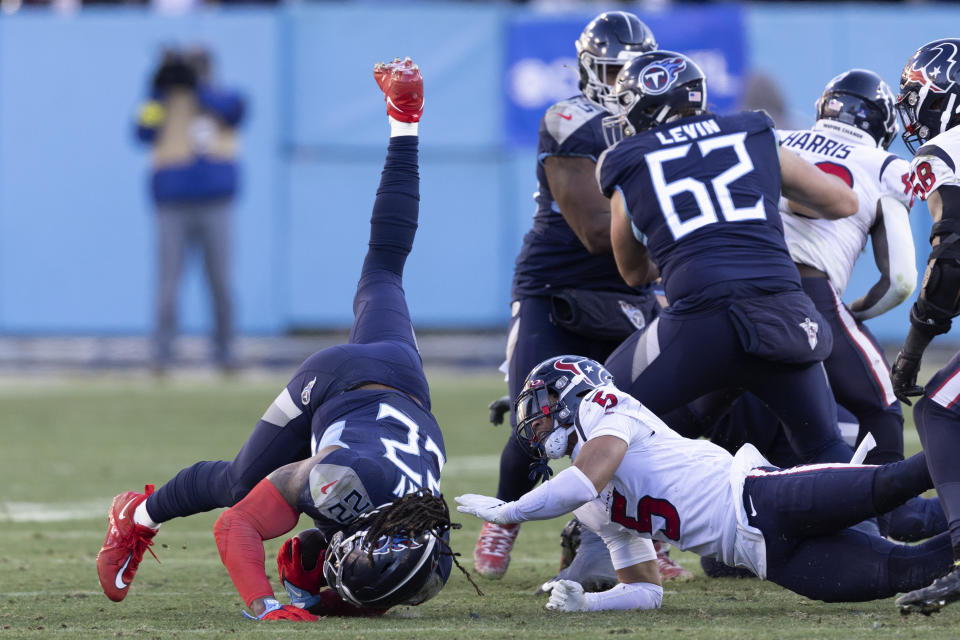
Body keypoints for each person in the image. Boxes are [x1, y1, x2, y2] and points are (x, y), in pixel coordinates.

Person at [99, 58, 457, 618]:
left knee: (386, 266)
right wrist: (264, 604)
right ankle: (138, 516)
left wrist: (334, 593)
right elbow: (235, 523)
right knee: (240, 483)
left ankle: (404, 119)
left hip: (403, 376)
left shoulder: (425, 535)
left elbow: (386, 572)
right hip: (334, 381)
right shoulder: (343, 486)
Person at [455, 355, 954, 611]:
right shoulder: (592, 504)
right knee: (912, 571)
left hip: (763, 497)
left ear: (569, 392)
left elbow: (582, 482)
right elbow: (647, 593)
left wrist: (510, 510)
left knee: (899, 483)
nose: (535, 424)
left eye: (540, 406)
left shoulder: (603, 407)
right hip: (767, 559)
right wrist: (589, 602)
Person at [474, 10, 687, 583]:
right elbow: (596, 232)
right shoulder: (571, 120)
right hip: (558, 285)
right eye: (614, 70)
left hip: (631, 287)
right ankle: (503, 517)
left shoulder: (660, 126)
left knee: (645, 420)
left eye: (632, 72)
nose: (623, 83)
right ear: (593, 70)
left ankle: (642, 537)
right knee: (534, 417)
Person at [598, 50, 859, 468]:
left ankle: (612, 530)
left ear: (645, 104)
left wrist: (679, 248)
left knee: (599, 407)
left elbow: (633, 273)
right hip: (782, 312)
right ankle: (875, 521)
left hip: (701, 321)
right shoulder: (754, 131)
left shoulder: (628, 161)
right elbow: (842, 202)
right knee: (824, 448)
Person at [888, 38, 960, 615]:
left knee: (937, 409)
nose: (911, 107)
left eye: (920, 93)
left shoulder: (944, 150)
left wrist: (912, 348)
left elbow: (952, 260)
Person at [135, 46, 245, 374]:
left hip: (215, 203)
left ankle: (226, 354)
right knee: (168, 283)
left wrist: (199, 87)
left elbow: (234, 112)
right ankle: (162, 356)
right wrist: (157, 91)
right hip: (172, 204)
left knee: (220, 282)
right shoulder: (163, 103)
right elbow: (142, 131)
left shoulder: (226, 98)